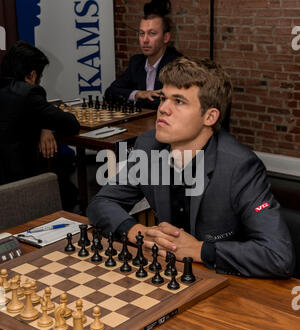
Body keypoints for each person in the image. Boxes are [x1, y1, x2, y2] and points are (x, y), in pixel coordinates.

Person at [87, 57, 295, 279]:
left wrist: (199, 250)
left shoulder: (240, 167)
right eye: (164, 98)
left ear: (210, 116)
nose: (163, 109)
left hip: (225, 281)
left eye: (179, 101)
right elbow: (102, 202)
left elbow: (278, 256)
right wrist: (136, 232)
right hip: (167, 274)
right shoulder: (148, 146)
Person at [0, 41, 80, 209]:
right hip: (19, 182)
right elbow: (71, 125)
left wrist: (45, 126)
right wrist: (47, 124)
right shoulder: (28, 92)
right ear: (32, 75)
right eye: (40, 78)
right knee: (68, 191)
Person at [105, 0, 182, 110]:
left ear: (166, 38)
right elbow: (110, 92)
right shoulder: (136, 62)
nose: (145, 40)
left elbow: (167, 102)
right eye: (142, 34)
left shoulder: (177, 64)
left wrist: (138, 98)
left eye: (152, 33)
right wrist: (139, 94)